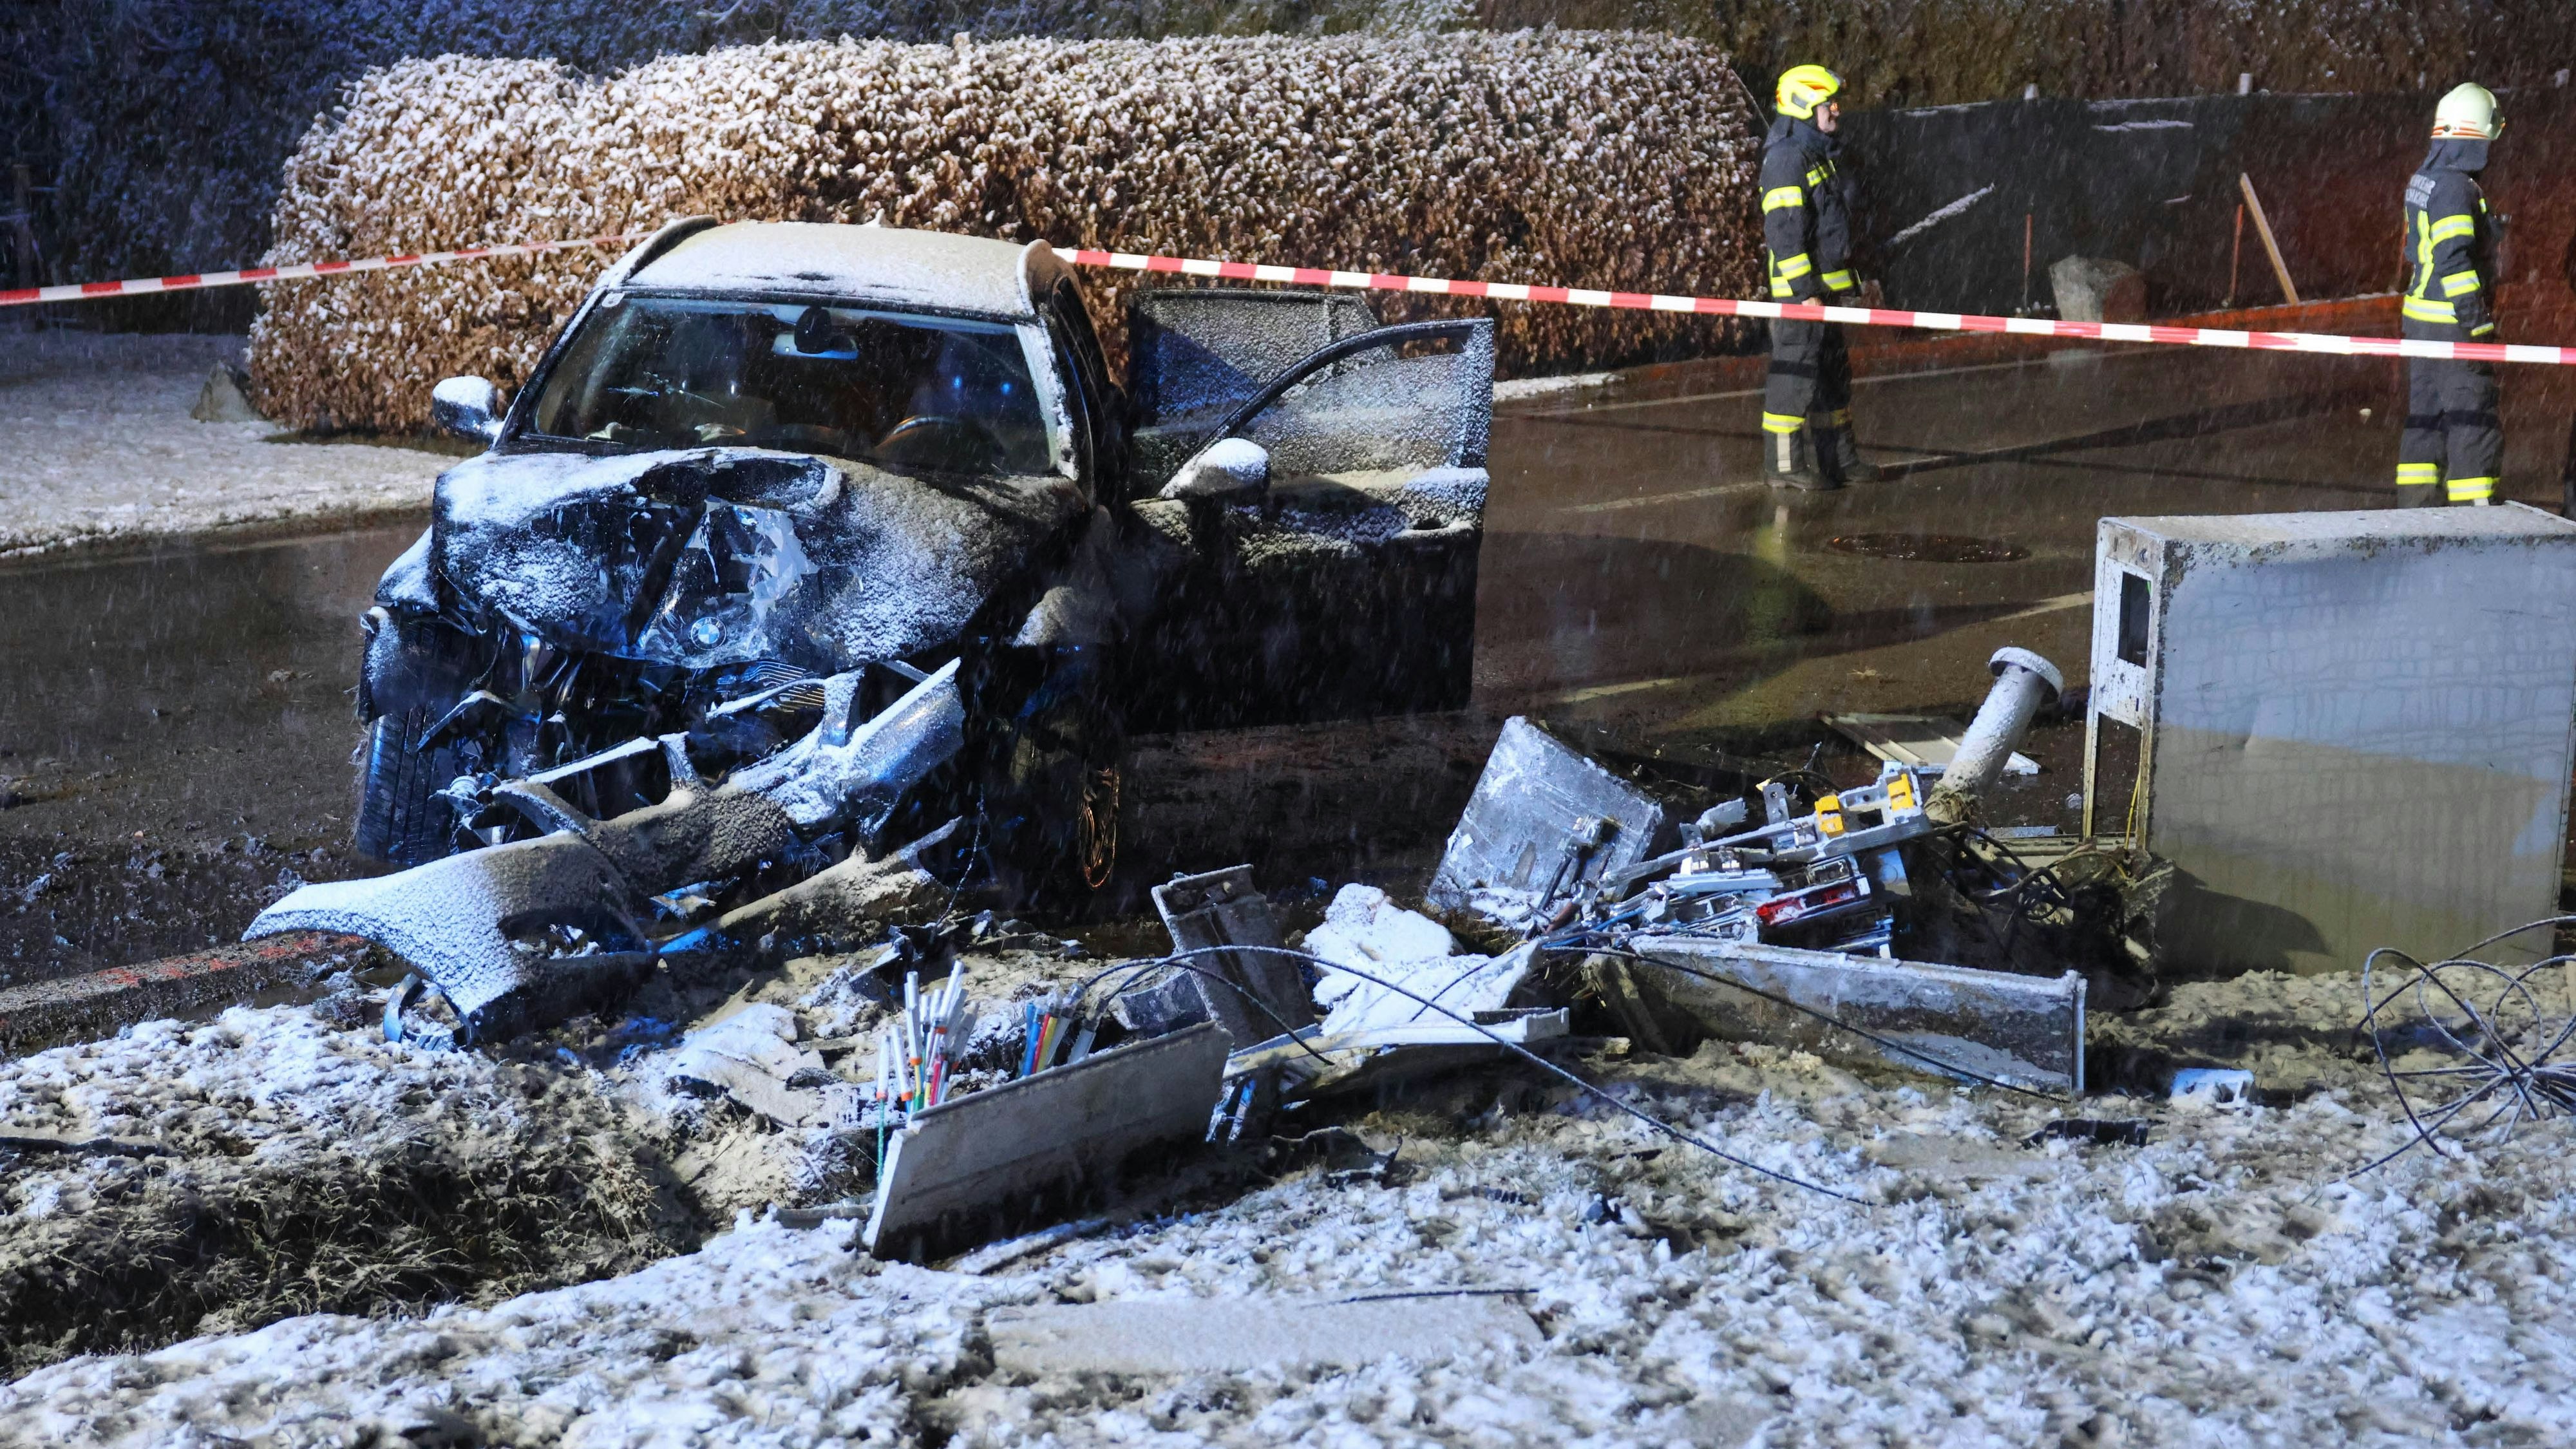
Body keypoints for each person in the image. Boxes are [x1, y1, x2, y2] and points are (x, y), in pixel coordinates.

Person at [1758, 63, 1876, 491]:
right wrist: (1805, 292)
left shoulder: (1815, 154)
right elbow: (1785, 233)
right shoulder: (1788, 158)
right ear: (1804, 104)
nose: (1836, 111)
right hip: (1802, 296)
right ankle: (1784, 467)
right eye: (1830, 104)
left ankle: (1839, 461)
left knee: (1832, 376)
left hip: (1822, 294)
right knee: (1795, 376)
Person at [2397, 82, 2505, 506]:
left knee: (2424, 417)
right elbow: (2454, 261)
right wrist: (2478, 321)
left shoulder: (2424, 179)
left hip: (2420, 322)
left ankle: (2415, 514)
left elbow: (2421, 250)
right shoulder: (2457, 189)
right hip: (2452, 325)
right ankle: (2475, 519)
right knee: (2471, 419)